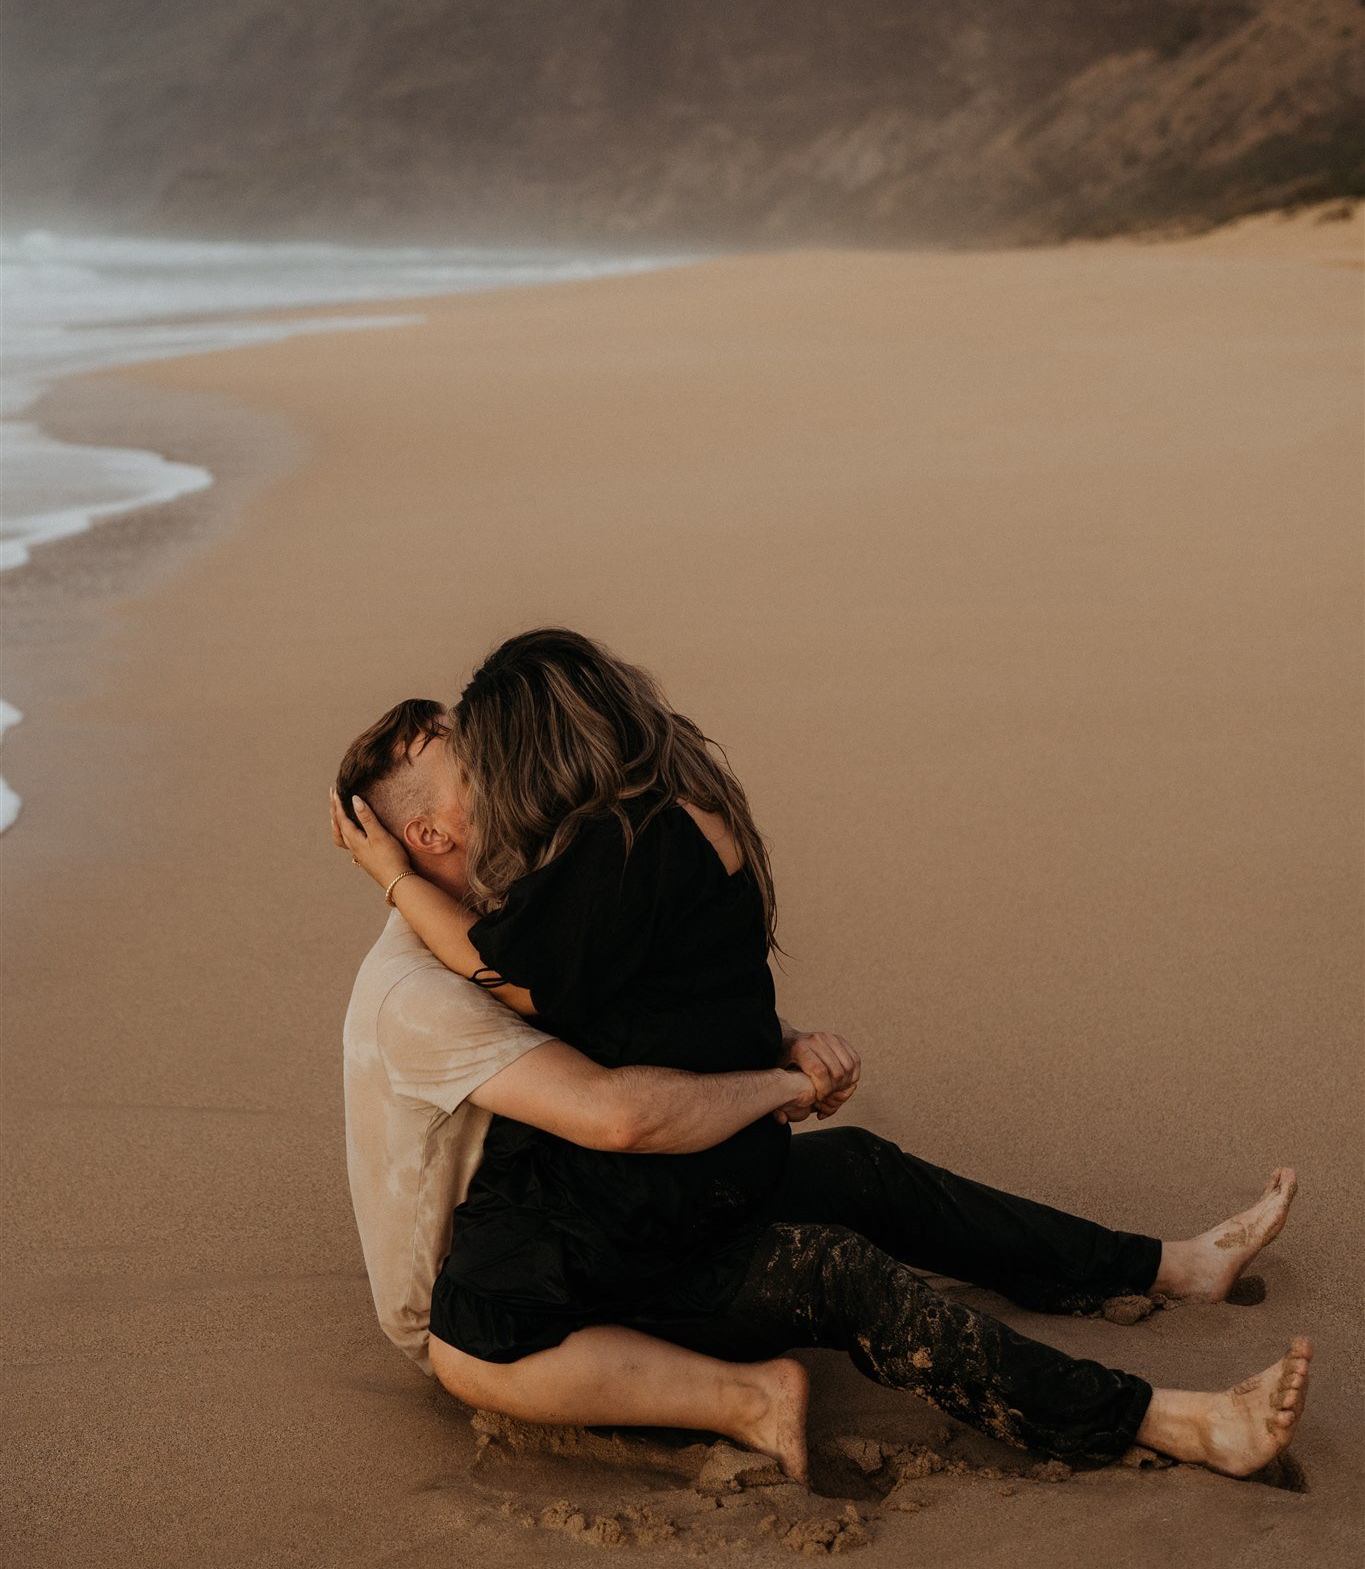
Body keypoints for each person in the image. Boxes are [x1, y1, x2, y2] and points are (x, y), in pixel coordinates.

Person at [333, 634, 1311, 1485]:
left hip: (647, 1197)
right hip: (547, 1274)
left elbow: (662, 992)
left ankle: (1167, 1267)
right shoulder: (439, 978)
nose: (507, 781)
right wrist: (782, 1083)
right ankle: (1169, 1419)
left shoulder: (581, 871)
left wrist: (779, 1042)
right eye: (484, 771)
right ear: (434, 830)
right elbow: (618, 1109)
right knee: (838, 1272)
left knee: (863, 1173)